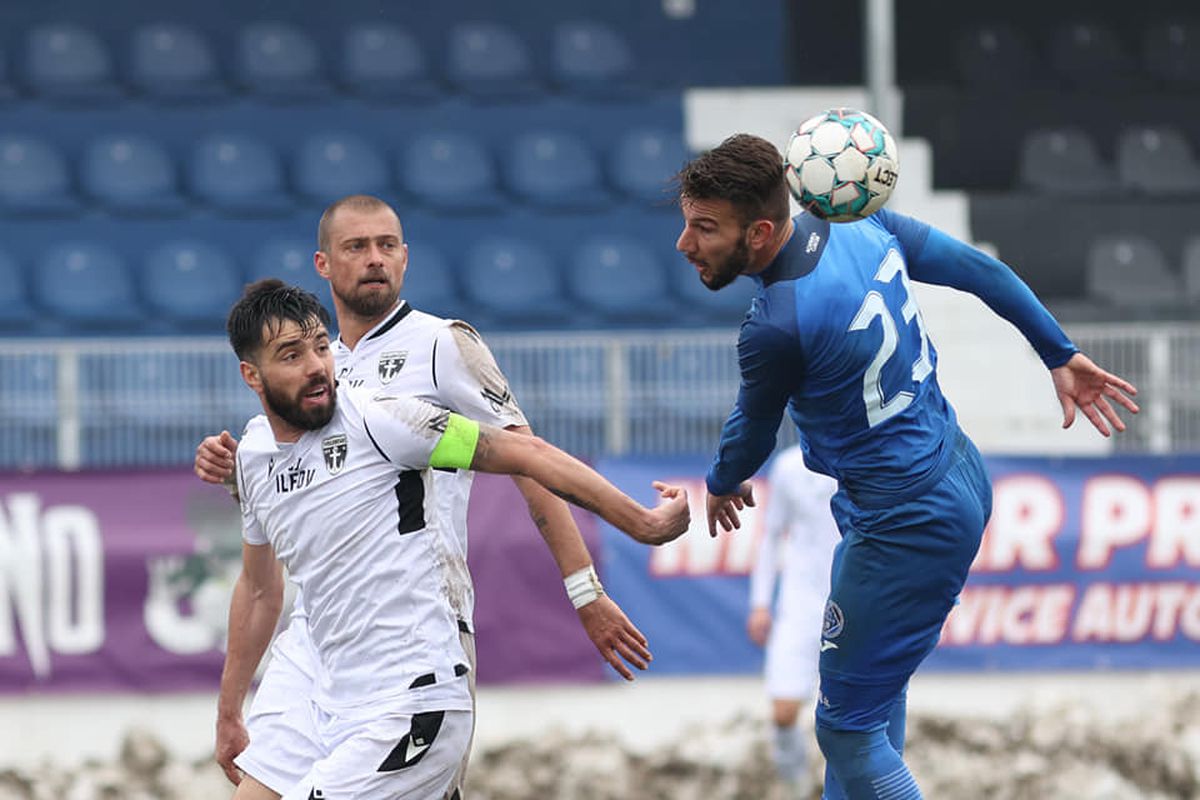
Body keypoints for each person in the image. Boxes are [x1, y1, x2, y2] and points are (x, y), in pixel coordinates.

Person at [673, 133, 1139, 800]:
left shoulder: (777, 326)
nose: (685, 244)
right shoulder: (860, 224)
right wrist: (1057, 351)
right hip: (956, 469)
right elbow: (981, 271)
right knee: (870, 702)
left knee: (845, 731)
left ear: (762, 232)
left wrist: (721, 483)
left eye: (705, 228)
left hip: (905, 523)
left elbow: (750, 434)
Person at [195, 195, 650, 793]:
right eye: (357, 247)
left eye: (387, 245)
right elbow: (298, 495)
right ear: (323, 263)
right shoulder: (315, 366)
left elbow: (528, 461)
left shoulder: (440, 345)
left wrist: (584, 590)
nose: (375, 259)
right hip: (319, 633)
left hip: (416, 626)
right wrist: (242, 473)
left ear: (405, 257)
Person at [746, 445, 839, 795]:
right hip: (799, 607)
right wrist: (760, 603)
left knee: (850, 719)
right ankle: (797, 787)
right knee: (783, 712)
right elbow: (771, 537)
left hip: (852, 604)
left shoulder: (865, 453)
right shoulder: (788, 467)